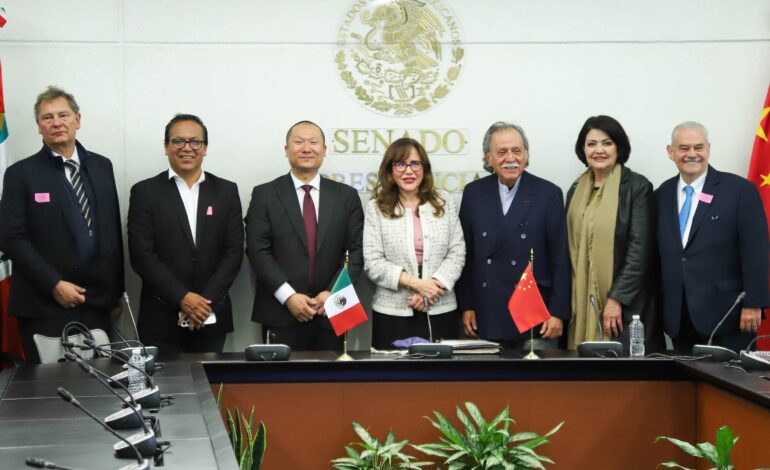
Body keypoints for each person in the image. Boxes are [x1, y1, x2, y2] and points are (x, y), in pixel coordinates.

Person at [0, 86, 124, 363]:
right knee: (51, 388)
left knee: (100, 383)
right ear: (39, 126)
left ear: (77, 120)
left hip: (96, 303)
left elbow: (112, 232)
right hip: (44, 304)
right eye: (48, 117)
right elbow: (11, 238)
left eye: (63, 115)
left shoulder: (102, 166)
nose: (56, 122)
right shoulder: (20, 174)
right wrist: (54, 284)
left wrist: (115, 293)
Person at [127, 114, 243, 354]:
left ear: (205, 148)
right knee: (163, 379)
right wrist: (183, 298)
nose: (187, 148)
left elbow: (233, 252)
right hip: (160, 319)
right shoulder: (145, 192)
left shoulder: (226, 191)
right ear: (166, 147)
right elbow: (142, 256)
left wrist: (203, 304)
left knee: (211, 379)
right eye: (178, 141)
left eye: (195, 141)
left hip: (210, 315)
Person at [245, 121, 364, 350]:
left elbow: (357, 251)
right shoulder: (265, 194)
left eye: (313, 142)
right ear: (286, 149)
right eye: (299, 142)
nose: (306, 148)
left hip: (332, 309)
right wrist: (288, 296)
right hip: (280, 311)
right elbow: (257, 250)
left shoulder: (346, 196)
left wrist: (333, 293)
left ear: (324, 150)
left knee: (334, 374)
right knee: (280, 374)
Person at [656, 121, 769, 353]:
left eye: (698, 147)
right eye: (684, 148)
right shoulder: (661, 195)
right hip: (679, 316)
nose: (692, 154)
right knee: (684, 377)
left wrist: (754, 303)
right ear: (671, 152)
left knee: (731, 376)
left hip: (729, 315)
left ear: (708, 149)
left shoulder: (740, 191)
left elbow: (756, 251)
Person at [456, 121, 570, 346]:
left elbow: (560, 258)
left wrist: (558, 311)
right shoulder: (474, 193)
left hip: (534, 312)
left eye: (517, 151)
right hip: (485, 310)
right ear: (488, 157)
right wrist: (466, 305)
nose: (511, 158)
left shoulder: (548, 194)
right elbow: (466, 256)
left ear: (526, 154)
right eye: (502, 152)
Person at [566, 115, 663, 352]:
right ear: (583, 150)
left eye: (607, 143)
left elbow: (640, 251)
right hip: (581, 301)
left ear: (619, 147)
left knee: (620, 370)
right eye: (591, 144)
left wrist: (616, 298)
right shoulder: (576, 190)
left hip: (626, 306)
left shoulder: (637, 187)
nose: (599, 150)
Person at [363, 138, 465, 349]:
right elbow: (373, 262)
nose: (408, 171)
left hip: (441, 308)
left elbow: (457, 251)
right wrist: (418, 285)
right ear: (390, 170)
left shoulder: (444, 202)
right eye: (400, 164)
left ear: (424, 169)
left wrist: (434, 286)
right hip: (392, 313)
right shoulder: (376, 207)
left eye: (415, 164)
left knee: (440, 368)